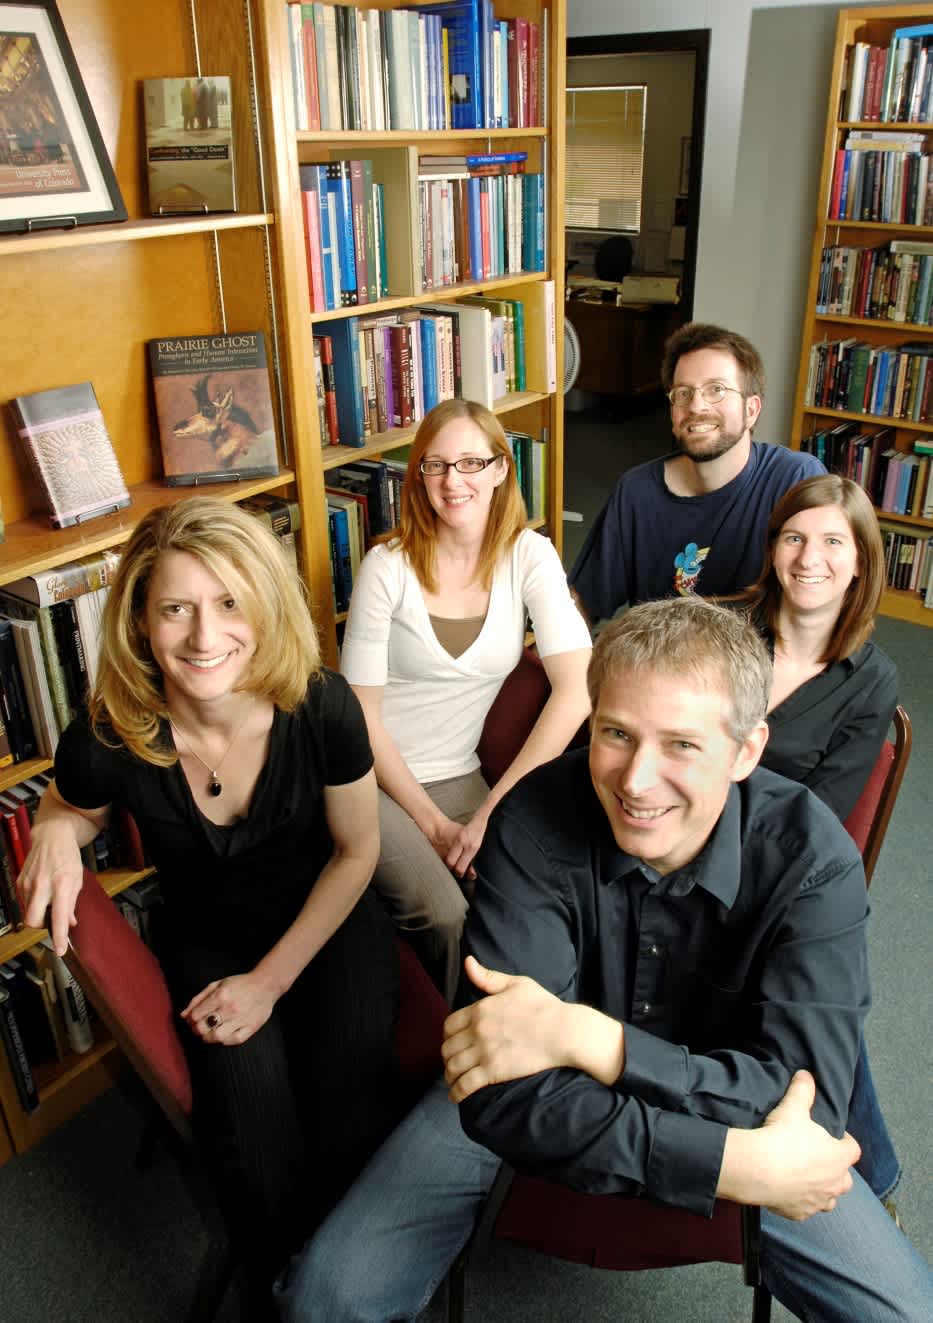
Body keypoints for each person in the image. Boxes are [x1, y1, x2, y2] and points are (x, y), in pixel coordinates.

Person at [275, 598, 933, 1323]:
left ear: (746, 751)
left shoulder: (813, 860)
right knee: (323, 1301)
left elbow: (806, 1111)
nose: (636, 780)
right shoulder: (531, 821)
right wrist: (726, 1163)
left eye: (681, 744)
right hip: (715, 1123)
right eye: (616, 733)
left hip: (685, 1102)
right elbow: (504, 1097)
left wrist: (595, 1041)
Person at [17, 497, 399, 1317]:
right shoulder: (113, 730)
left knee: (347, 1105)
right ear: (140, 622)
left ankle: (352, 1278)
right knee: (254, 1131)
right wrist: (52, 827)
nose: (203, 635)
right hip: (208, 939)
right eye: (175, 609)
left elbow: (357, 853)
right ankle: (290, 1292)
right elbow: (73, 803)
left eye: (229, 602)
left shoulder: (323, 704)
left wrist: (269, 982)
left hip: (328, 920)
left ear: (264, 604)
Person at [340, 398, 591, 1000]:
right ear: (419, 475)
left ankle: (542, 1029)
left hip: (459, 772)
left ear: (501, 469)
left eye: (471, 463)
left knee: (521, 894)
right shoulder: (386, 566)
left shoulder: (529, 555)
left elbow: (577, 688)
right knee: (446, 914)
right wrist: (432, 824)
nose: (454, 481)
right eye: (436, 465)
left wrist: (491, 811)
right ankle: (466, 1042)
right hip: (369, 777)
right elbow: (359, 716)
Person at [731, 473, 901, 1205]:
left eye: (834, 542)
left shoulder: (871, 679)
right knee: (822, 984)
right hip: (673, 843)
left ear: (859, 562)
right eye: (795, 537)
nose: (809, 557)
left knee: (816, 963)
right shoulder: (722, 631)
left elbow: (819, 818)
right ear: (773, 548)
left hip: (781, 867)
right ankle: (868, 1173)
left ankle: (843, 1165)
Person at [569, 321, 825, 623]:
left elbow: (827, 600)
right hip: (660, 651)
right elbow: (583, 603)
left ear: (751, 409)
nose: (696, 406)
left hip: (759, 652)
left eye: (716, 389)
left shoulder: (795, 480)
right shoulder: (637, 492)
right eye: (683, 393)